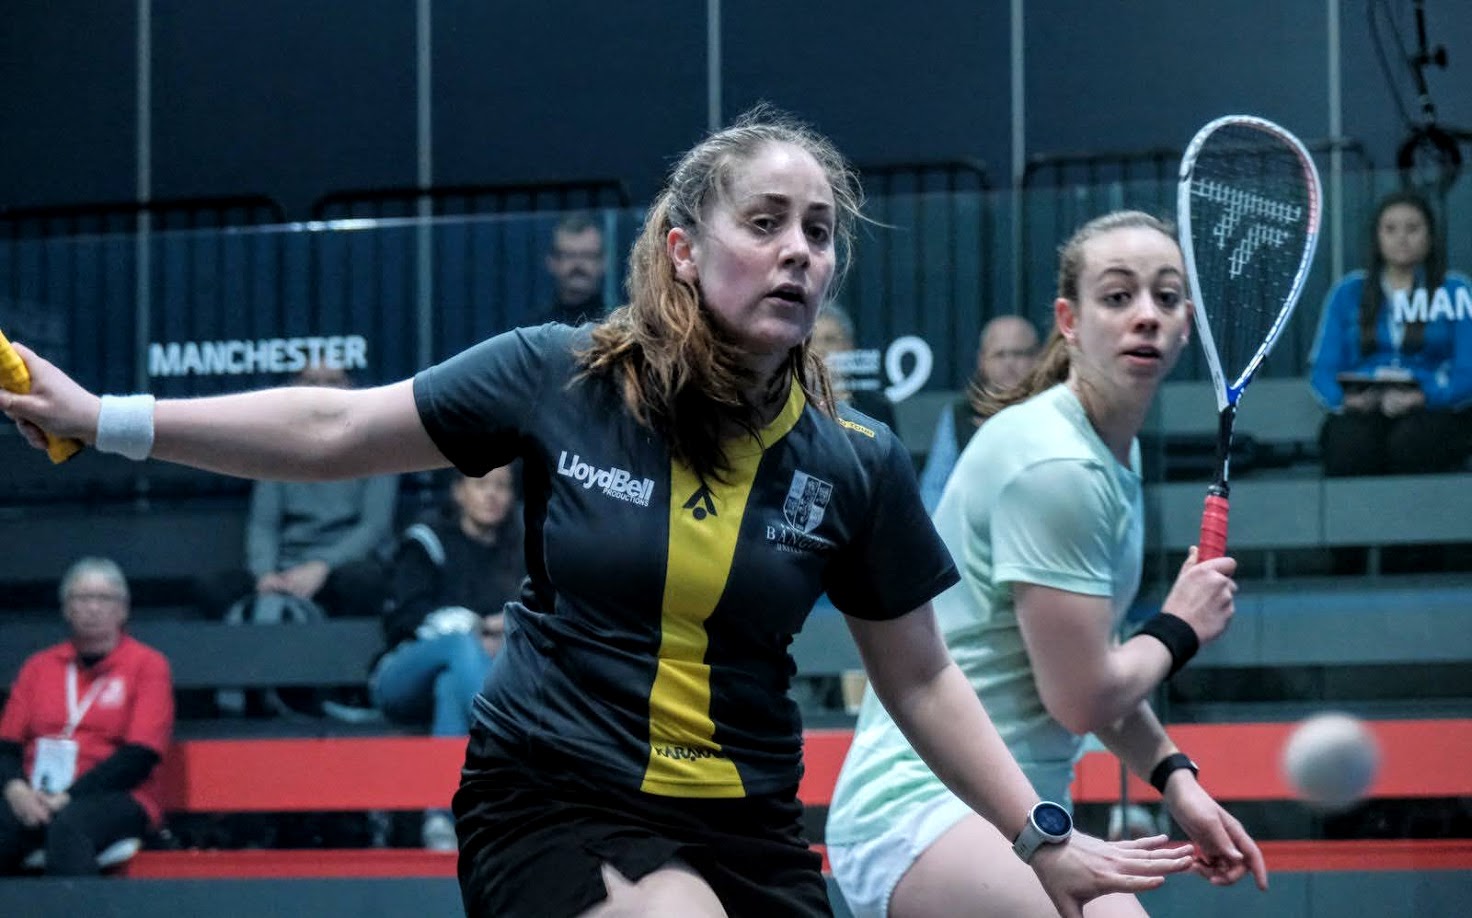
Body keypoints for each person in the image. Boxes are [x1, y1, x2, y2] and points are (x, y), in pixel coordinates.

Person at [2, 108, 1195, 918]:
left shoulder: (853, 464)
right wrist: (103, 415)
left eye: (818, 231)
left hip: (745, 822)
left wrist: (1042, 839)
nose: (797, 251)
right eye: (763, 223)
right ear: (682, 249)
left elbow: (923, 680)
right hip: (555, 799)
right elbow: (335, 430)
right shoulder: (558, 376)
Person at [826, 211, 1268, 918]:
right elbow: (1082, 697)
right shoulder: (1054, 464)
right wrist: (1178, 628)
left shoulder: (1108, 451)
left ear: (1187, 323)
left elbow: (1084, 669)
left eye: (1166, 296)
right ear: (1069, 321)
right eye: (1117, 296)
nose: (1146, 315)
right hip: (919, 807)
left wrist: (1173, 776)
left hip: (1015, 811)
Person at [370, 465, 525, 850]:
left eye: (502, 486)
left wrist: (502, 630)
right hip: (402, 675)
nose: (492, 495)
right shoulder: (427, 541)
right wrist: (477, 627)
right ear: (458, 491)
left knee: (451, 685)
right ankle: (508, 755)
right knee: (459, 646)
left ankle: (441, 818)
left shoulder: (520, 549)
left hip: (469, 681)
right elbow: (404, 620)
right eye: (481, 484)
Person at [1, 557, 174, 876]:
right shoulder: (38, 667)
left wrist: (66, 798)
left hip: (116, 795)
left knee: (69, 827)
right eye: (82, 598)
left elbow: (139, 756)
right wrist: (17, 791)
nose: (93, 608)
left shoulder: (147, 665)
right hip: (35, 793)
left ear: (123, 610)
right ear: (66, 608)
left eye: (104, 599)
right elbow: (7, 747)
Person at [195, 364, 399, 629]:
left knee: (363, 583)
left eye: (332, 381)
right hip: (284, 569)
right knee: (213, 587)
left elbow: (374, 527)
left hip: (345, 567)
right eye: (311, 381)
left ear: (351, 388)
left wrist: (322, 566)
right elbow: (263, 525)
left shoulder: (377, 446)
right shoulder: (276, 449)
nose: (322, 390)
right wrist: (265, 573)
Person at [1309, 190, 1472, 477]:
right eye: (1391, 229)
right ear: (1377, 237)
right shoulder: (1348, 292)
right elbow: (1323, 368)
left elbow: (1468, 370)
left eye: (1413, 228)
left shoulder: (1455, 291)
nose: (1401, 238)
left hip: (1432, 409)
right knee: (1348, 444)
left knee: (1412, 442)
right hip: (1364, 408)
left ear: (1430, 236)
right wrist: (1345, 400)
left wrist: (1424, 397)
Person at [918, 314, 1040, 511]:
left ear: (1038, 358)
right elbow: (935, 488)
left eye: (1019, 354)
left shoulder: (1054, 409)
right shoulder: (960, 414)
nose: (1009, 362)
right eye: (999, 354)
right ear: (982, 360)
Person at [810, 303, 898, 428]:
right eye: (810, 340)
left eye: (830, 340)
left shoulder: (874, 407)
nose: (819, 349)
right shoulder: (787, 402)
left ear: (848, 346)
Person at [537, 212, 611, 326]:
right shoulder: (534, 327)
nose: (578, 264)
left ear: (603, 262)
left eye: (587, 255)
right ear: (552, 261)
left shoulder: (618, 326)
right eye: (569, 255)